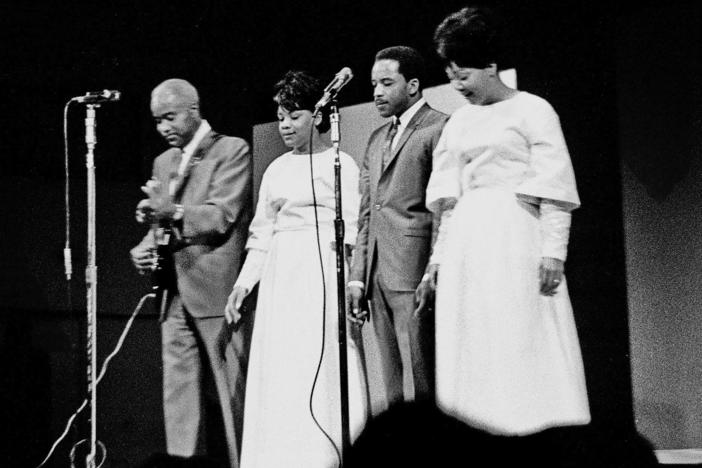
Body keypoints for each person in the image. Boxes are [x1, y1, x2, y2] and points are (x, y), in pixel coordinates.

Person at [426, 6, 591, 436]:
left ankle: (532, 432)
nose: (456, 84)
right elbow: (449, 201)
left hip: (517, 233)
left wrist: (554, 251)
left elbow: (555, 189)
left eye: (463, 74)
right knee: (472, 336)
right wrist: (438, 259)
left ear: (492, 66)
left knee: (520, 331)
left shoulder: (534, 111)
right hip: (467, 240)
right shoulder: (458, 123)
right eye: (450, 74)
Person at [225, 70, 367, 467]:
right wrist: (244, 284)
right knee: (283, 361)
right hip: (281, 277)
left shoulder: (343, 164)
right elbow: (261, 233)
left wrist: (353, 279)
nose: (285, 125)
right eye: (281, 116)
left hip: (323, 270)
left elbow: (355, 229)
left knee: (321, 359)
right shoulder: (276, 170)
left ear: (318, 116)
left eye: (294, 116)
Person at [130, 79, 254, 467]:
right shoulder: (163, 162)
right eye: (156, 121)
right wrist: (146, 245)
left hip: (215, 289)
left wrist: (172, 212)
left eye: (169, 117)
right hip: (172, 291)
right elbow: (161, 223)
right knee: (178, 394)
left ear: (193, 110)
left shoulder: (231, 150)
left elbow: (220, 217)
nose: (162, 128)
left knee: (229, 392)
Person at [347, 46, 447, 408]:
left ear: (414, 85)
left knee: (422, 377)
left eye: (387, 83)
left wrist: (433, 270)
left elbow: (443, 209)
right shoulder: (376, 139)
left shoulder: (439, 127)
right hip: (376, 273)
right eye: (374, 84)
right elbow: (366, 213)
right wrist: (358, 276)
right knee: (389, 380)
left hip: (414, 269)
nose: (376, 92)